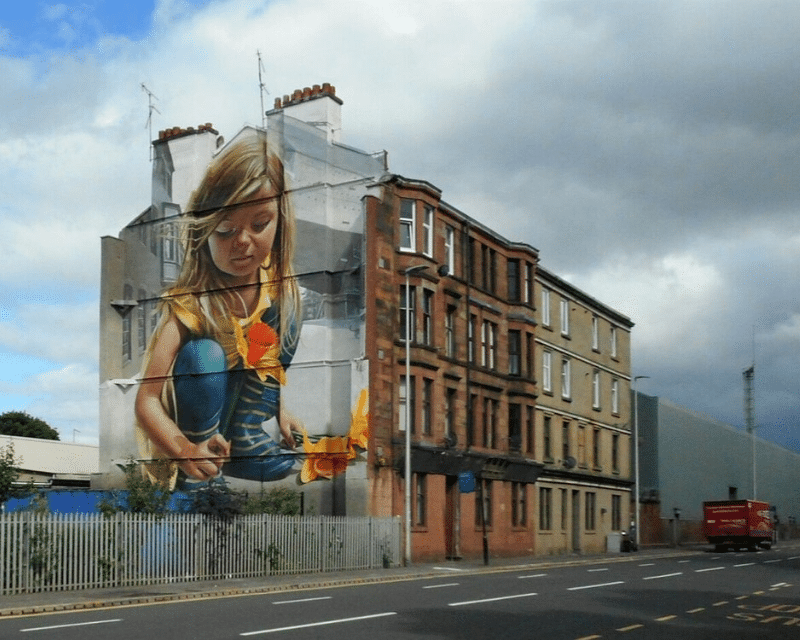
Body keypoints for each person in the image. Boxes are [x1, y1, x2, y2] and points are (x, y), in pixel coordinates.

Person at [135, 132, 303, 489]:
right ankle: (202, 466)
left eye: (260, 225)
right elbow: (146, 399)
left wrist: (278, 411)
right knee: (204, 354)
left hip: (236, 405)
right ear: (204, 234)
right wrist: (185, 449)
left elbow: (262, 356)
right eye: (226, 230)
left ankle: (245, 437)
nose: (243, 241)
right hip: (194, 420)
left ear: (280, 221)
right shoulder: (194, 303)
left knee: (290, 308)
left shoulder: (274, 287)